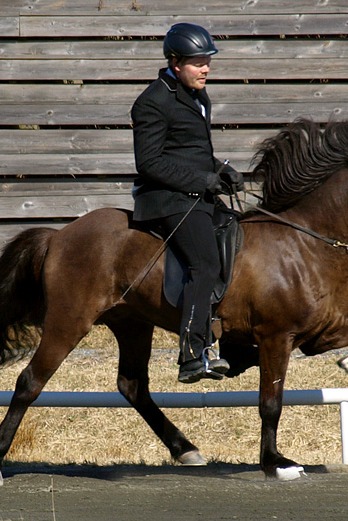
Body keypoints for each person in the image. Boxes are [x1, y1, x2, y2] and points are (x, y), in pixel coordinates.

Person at [131, 23, 244, 384]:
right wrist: (202, 180)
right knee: (205, 263)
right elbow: (149, 162)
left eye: (207, 62)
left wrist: (221, 170)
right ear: (175, 62)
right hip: (166, 200)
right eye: (198, 63)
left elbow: (191, 153)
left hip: (196, 193)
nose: (206, 69)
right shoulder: (153, 101)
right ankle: (192, 355)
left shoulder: (197, 97)